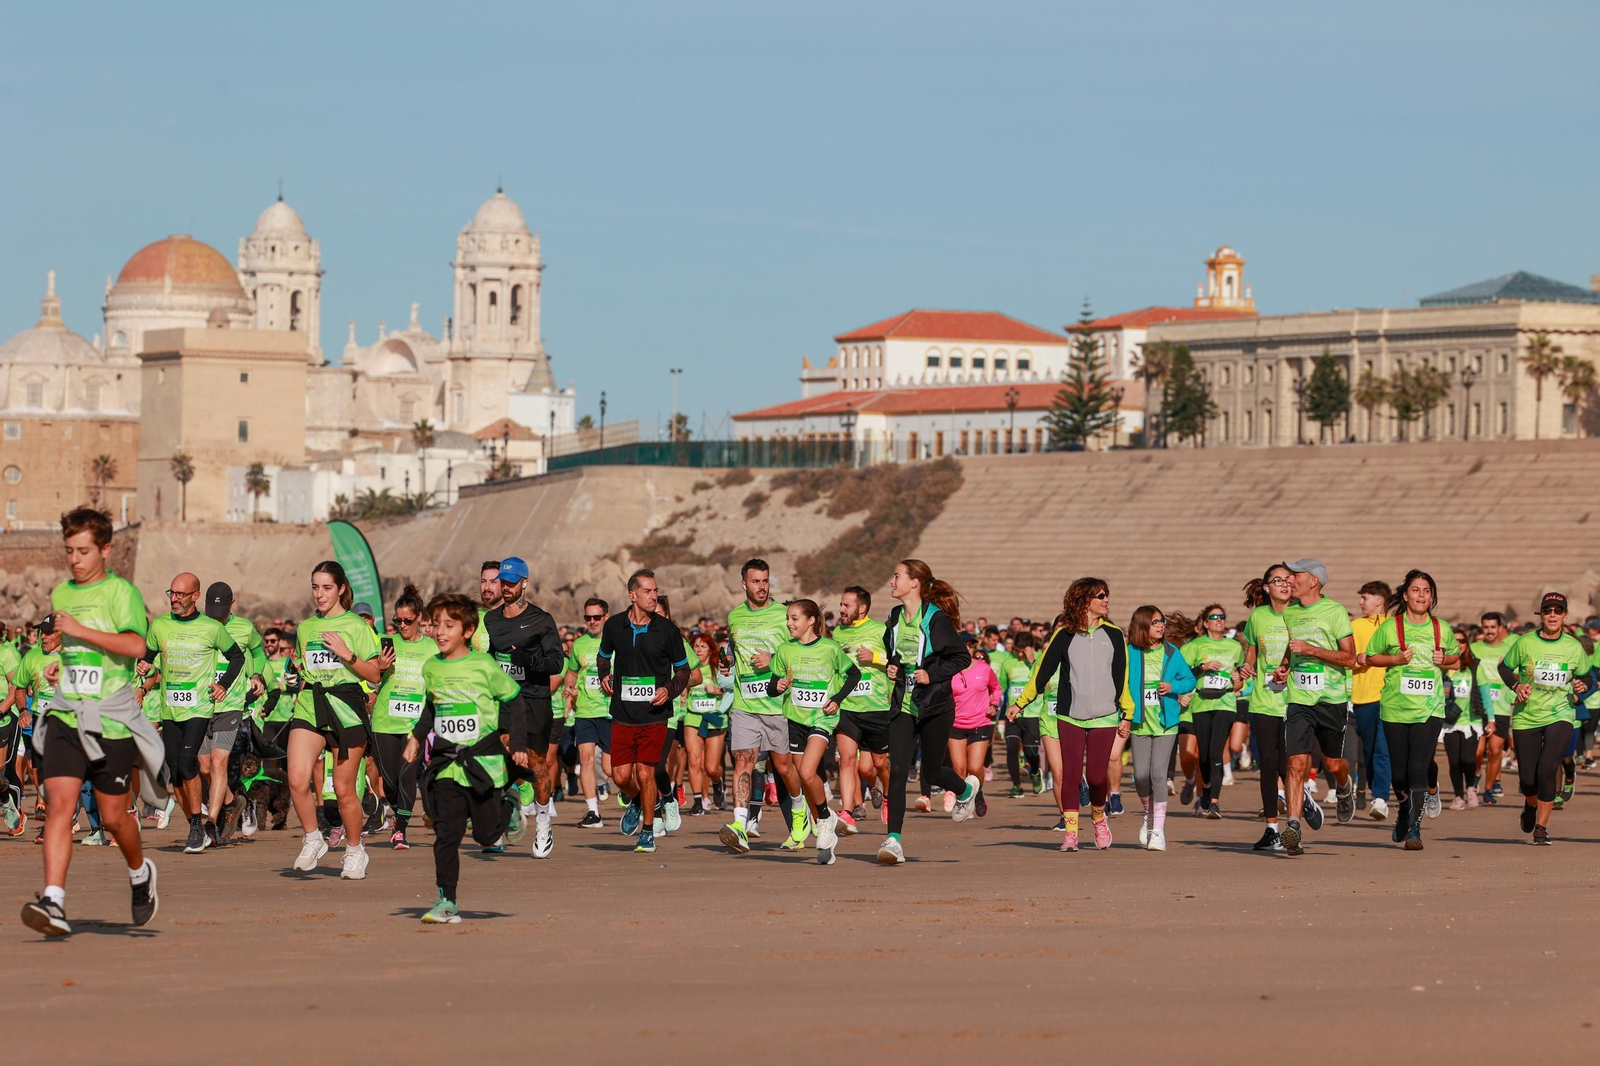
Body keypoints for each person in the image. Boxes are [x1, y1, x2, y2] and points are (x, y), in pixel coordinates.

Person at [21, 506, 163, 938]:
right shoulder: (62, 594)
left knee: (115, 818)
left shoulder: (123, 594)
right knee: (60, 806)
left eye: (83, 551)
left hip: (112, 719)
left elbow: (136, 645)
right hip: (67, 712)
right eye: (69, 551)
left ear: (105, 549)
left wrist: (79, 631)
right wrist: (58, 668)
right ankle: (54, 901)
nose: (75, 560)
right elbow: (76, 654)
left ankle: (140, 874)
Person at [403, 593, 529, 924]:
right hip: (446, 763)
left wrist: (517, 742)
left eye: (449, 625)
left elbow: (515, 700)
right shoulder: (431, 667)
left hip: (483, 765)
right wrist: (416, 737)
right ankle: (447, 900)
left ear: (468, 630)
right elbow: (432, 707)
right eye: (435, 625)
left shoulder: (484, 666)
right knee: (446, 833)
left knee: (486, 836)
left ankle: (509, 805)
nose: (440, 632)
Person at [1008, 578, 1129, 852]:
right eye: (1101, 595)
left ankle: (1099, 817)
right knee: (1071, 775)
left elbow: (1122, 676)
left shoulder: (1114, 634)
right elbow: (1042, 672)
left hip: (1106, 716)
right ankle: (1071, 833)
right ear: (1085, 601)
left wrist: (1127, 713)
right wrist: (1021, 703)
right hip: (1070, 716)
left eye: (1107, 594)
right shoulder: (1063, 635)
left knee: (1098, 778)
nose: (1106, 599)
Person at [286, 561, 385, 878]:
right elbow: (305, 669)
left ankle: (355, 850)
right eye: (315, 587)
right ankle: (313, 838)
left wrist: (347, 654)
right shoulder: (304, 628)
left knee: (344, 791)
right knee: (297, 779)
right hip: (310, 704)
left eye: (327, 587)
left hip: (346, 705)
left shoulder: (358, 626)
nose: (320, 594)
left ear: (341, 588)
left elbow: (374, 675)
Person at [877, 559, 977, 864]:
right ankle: (893, 840)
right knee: (897, 771)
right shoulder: (895, 616)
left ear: (915, 582)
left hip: (935, 706)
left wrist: (932, 676)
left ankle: (964, 789)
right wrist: (893, 666)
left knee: (933, 772)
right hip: (903, 706)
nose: (892, 581)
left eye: (897, 576)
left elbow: (962, 658)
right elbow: (893, 649)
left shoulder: (935, 620)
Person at [139, 572, 245, 853]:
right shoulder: (159, 625)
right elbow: (147, 659)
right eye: (171, 593)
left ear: (195, 596)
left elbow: (238, 657)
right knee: (175, 775)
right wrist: (142, 677)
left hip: (198, 708)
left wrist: (223, 685)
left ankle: (199, 827)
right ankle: (194, 825)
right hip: (169, 708)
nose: (174, 599)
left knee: (188, 766)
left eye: (180, 594)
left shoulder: (211, 627)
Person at [1359, 571, 1460, 850]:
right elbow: (1371, 657)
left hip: (1429, 709)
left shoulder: (1441, 628)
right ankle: (1404, 812)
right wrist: (1395, 658)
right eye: (1416, 590)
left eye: (1426, 591)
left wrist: (1445, 658)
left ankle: (1415, 828)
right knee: (1399, 774)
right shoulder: (1390, 627)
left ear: (1432, 596)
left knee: (1417, 768)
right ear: (1405, 595)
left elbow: (1456, 660)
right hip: (1394, 708)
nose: (1421, 595)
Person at [596, 569, 692, 854]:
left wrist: (668, 690)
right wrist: (605, 675)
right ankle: (638, 801)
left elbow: (684, 671)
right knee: (620, 776)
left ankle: (648, 831)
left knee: (646, 772)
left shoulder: (668, 630)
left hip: (654, 715)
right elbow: (603, 657)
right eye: (648, 591)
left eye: (656, 591)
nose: (654, 596)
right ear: (633, 595)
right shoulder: (614, 626)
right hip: (623, 713)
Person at [1270, 559, 1357, 856]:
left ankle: (1344, 787)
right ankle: (1293, 825)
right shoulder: (1291, 611)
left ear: (1313, 581)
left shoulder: (1335, 612)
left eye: (1295, 576)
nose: (1289, 581)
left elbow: (1350, 658)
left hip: (1331, 699)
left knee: (1334, 765)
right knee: (1295, 762)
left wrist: (1310, 650)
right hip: (1299, 698)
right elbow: (1292, 646)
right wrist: (1284, 666)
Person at [483, 556, 565, 859]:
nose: (506, 587)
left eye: (511, 583)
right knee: (504, 752)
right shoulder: (490, 620)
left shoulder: (542, 620)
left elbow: (557, 662)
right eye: (502, 582)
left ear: (524, 584)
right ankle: (514, 799)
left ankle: (543, 820)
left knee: (538, 764)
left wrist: (527, 661)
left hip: (535, 700)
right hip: (505, 700)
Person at [767, 598, 860, 863]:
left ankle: (823, 820)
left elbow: (854, 675)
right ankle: (825, 823)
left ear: (811, 621)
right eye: (787, 618)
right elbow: (772, 687)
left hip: (822, 717)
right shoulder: (785, 650)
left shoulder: (830, 648)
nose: (789, 623)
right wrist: (780, 686)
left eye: (794, 618)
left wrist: (837, 699)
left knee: (807, 772)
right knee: (805, 778)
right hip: (794, 719)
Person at [1498, 592, 1591, 845]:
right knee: (1528, 779)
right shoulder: (1525, 642)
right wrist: (1517, 686)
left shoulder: (1573, 646)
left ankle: (1541, 827)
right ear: (1541, 615)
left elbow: (1588, 676)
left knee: (1548, 768)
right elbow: (1504, 668)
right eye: (1548, 611)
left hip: (1560, 713)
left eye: (1558, 611)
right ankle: (1530, 806)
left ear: (1565, 616)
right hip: (1527, 716)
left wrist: (1583, 685)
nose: (1552, 615)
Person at [719, 559, 795, 854]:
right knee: (743, 762)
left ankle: (799, 816)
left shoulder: (783, 615)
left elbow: (799, 652)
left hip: (778, 705)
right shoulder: (734, 616)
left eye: (765, 581)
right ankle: (740, 826)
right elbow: (733, 649)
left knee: (785, 767)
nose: (761, 587)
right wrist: (727, 663)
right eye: (756, 582)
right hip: (745, 703)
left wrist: (773, 659)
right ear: (744, 584)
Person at [370, 583, 437, 849]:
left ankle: (400, 829)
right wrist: (380, 666)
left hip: (414, 724)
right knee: (389, 781)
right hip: (385, 721)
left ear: (420, 617)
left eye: (408, 621)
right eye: (398, 620)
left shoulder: (432, 649)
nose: (403, 626)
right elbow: (372, 679)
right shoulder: (385, 643)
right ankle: (399, 813)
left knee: (408, 776)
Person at [1126, 606, 1196, 851]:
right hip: (1139, 723)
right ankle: (1148, 816)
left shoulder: (1171, 651)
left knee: (1159, 775)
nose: (1161, 626)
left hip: (1166, 723)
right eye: (1155, 622)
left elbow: (1190, 680)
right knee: (1141, 776)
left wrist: (1172, 687)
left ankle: (1158, 830)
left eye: (1162, 621)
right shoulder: (1130, 653)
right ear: (1142, 625)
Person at [201, 582, 265, 842]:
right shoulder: (199, 625)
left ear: (232, 604)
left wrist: (259, 674)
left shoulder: (245, 628)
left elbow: (259, 653)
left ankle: (211, 824)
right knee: (204, 767)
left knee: (220, 763)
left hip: (231, 704)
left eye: (221, 609)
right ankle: (235, 802)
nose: (216, 614)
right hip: (201, 705)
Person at [1239, 565, 1293, 851]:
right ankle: (1272, 829)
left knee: (1288, 763)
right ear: (1266, 587)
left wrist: (1288, 667)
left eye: (1288, 580)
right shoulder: (1258, 616)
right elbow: (1252, 649)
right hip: (1263, 698)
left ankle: (1299, 810)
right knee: (1268, 765)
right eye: (1277, 580)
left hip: (1296, 699)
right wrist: (1247, 665)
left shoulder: (1302, 613)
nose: (1284, 584)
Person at [833, 586, 890, 833]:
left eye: (846, 605)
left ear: (862, 608)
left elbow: (899, 662)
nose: (841, 609)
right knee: (846, 760)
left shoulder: (881, 630)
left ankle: (886, 794)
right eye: (841, 604)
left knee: (874, 765)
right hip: (847, 708)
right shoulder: (837, 633)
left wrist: (875, 657)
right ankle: (847, 813)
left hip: (877, 707)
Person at [1181, 604, 1242, 819]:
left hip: (1225, 703)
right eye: (1214, 617)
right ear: (1205, 623)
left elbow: (1240, 679)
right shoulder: (1194, 646)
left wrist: (1238, 679)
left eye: (1222, 617)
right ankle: (1205, 786)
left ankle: (1215, 802)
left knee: (1216, 751)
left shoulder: (1235, 647)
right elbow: (1179, 674)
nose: (1219, 620)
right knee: (1204, 755)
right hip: (1201, 704)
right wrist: (1202, 668)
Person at [563, 597, 613, 827]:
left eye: (596, 617)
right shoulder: (580, 644)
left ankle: (634, 796)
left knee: (611, 769)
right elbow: (572, 672)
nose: (592, 621)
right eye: (588, 617)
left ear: (606, 617)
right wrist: (568, 688)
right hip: (584, 710)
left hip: (612, 712)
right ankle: (593, 812)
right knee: (585, 759)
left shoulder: (616, 643)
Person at [1349, 581, 1394, 821]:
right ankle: (1370, 789)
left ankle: (1380, 798)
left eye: (1364, 597)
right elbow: (1347, 658)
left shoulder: (1395, 625)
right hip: (1362, 695)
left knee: (1382, 748)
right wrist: (1361, 659)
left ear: (1379, 600)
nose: (1360, 602)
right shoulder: (1355, 626)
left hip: (1390, 696)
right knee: (1368, 749)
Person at [949, 634, 999, 819]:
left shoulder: (984, 669)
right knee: (959, 769)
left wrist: (994, 703)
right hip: (955, 724)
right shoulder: (948, 670)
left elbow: (997, 688)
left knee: (976, 767)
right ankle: (964, 801)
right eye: (964, 645)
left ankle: (977, 793)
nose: (968, 648)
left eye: (971, 646)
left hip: (980, 722)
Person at [681, 631, 729, 816]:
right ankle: (698, 801)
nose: (699, 649)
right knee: (694, 761)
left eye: (703, 646)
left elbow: (731, 689)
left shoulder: (718, 667)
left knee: (710, 767)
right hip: (693, 717)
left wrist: (717, 690)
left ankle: (717, 783)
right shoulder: (688, 669)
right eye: (696, 646)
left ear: (710, 650)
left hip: (715, 718)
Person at [1473, 612, 1515, 805]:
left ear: (1500, 629)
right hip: (1477, 707)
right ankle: (1475, 776)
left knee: (1495, 751)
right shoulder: (1473, 649)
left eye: (1493, 627)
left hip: (1501, 706)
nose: (1489, 631)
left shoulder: (1510, 650)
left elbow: (1520, 674)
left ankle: (1489, 789)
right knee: (1478, 752)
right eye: (1486, 627)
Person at [999, 632, 1043, 798]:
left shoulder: (1040, 659)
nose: (1019, 654)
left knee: (1031, 752)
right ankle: (1016, 785)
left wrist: (1032, 661)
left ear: (1030, 648)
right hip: (1013, 714)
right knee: (1011, 748)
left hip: (1034, 713)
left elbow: (1044, 680)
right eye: (1017, 650)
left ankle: (1035, 773)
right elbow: (1002, 686)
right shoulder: (1007, 662)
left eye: (1023, 651)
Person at [472, 560, 502, 654]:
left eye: (493, 582)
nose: (486, 588)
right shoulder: (470, 616)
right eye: (483, 581)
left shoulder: (513, 616)